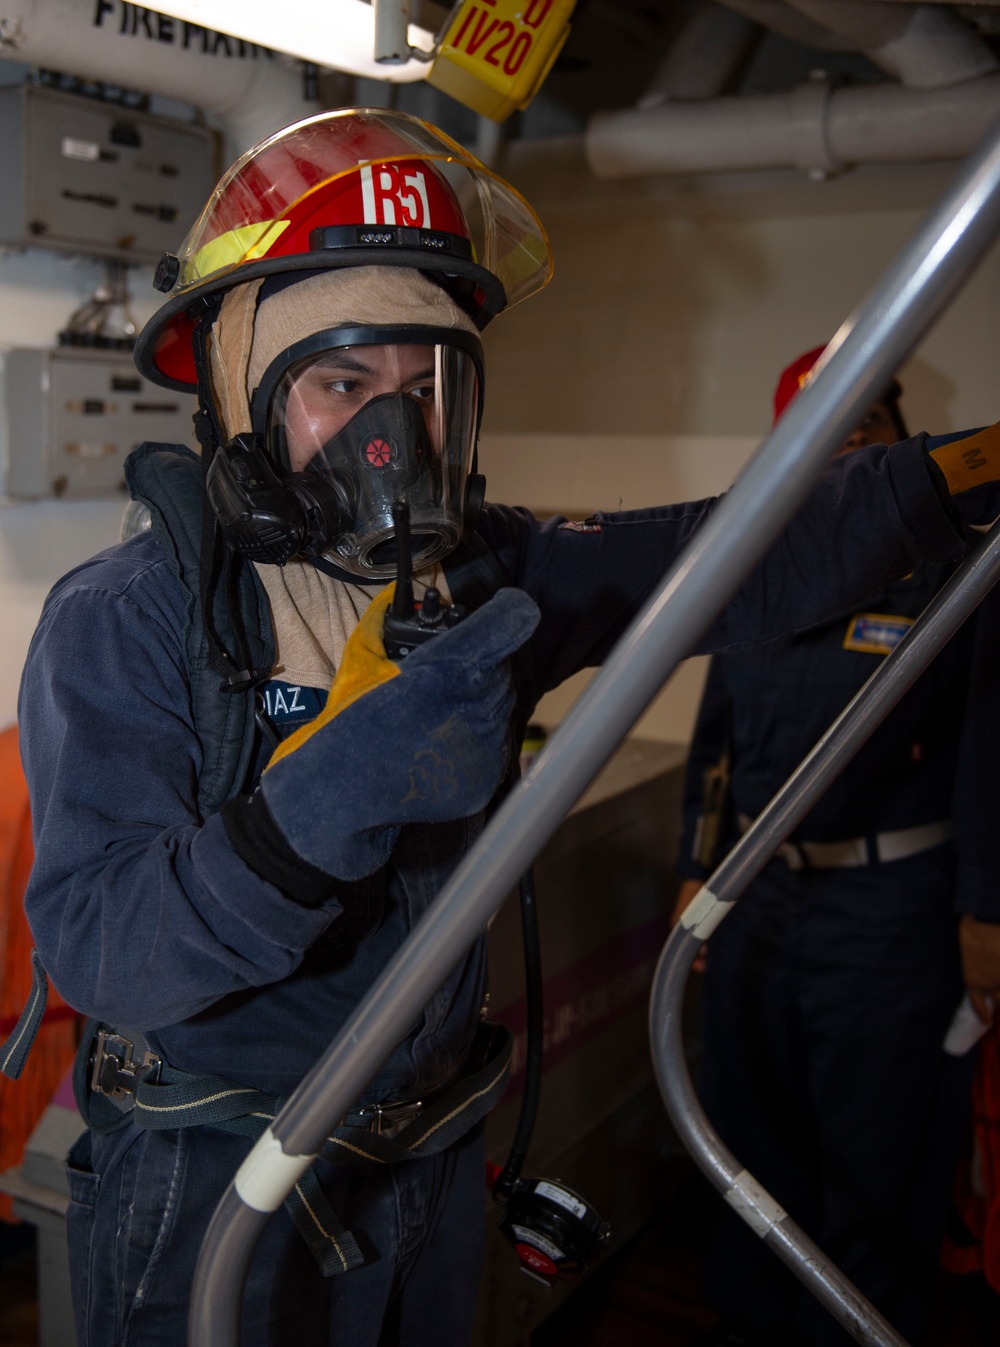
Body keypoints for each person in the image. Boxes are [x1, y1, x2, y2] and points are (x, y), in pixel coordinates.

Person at [14, 112, 1000, 1347]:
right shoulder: (127, 619)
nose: (396, 438)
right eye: (341, 383)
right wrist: (322, 806)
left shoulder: (484, 587)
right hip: (219, 1175)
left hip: (424, 1166)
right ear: (237, 387)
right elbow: (104, 953)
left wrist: (936, 487)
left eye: (428, 387)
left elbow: (725, 552)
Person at [674, 348, 1000, 1347]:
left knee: (874, 1157)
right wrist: (695, 871)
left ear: (897, 432)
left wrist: (985, 911)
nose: (850, 436)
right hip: (754, 899)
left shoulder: (962, 565)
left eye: (869, 416)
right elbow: (717, 738)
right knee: (744, 1139)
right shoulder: (760, 564)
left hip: (890, 908)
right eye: (823, 422)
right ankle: (749, 1321)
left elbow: (993, 745)